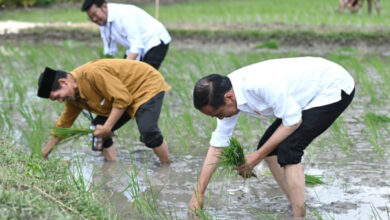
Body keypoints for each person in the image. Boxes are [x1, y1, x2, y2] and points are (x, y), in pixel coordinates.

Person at [189, 57, 355, 218]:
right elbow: (218, 143)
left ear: (228, 98)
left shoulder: (259, 85)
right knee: (271, 150)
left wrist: (256, 156)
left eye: (219, 114)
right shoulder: (226, 91)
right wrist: (199, 192)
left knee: (289, 148)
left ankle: (299, 216)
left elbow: (293, 122)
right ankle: (296, 203)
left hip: (332, 87)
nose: (220, 119)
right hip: (305, 95)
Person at [38, 59, 171, 163]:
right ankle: (111, 165)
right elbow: (63, 125)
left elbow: (122, 98)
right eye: (57, 100)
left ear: (64, 82)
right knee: (97, 129)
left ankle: (166, 165)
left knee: (148, 131)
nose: (61, 101)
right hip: (123, 95)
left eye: (58, 97)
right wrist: (44, 153)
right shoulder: (73, 98)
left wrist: (108, 127)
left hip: (144, 85)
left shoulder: (92, 73)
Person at [81, 0, 171, 70]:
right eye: (91, 17)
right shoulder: (103, 24)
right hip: (135, 46)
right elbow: (109, 51)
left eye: (95, 14)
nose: (94, 19)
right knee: (127, 78)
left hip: (155, 40)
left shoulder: (124, 15)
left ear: (104, 6)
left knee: (144, 77)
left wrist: (123, 69)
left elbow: (136, 46)